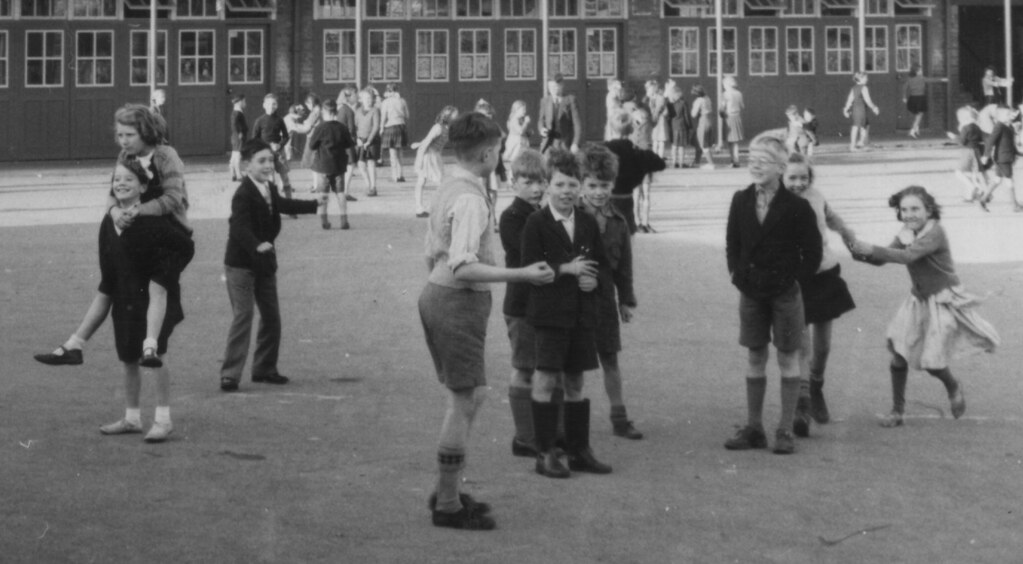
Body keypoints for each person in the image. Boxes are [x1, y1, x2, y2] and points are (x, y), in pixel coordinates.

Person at [418, 112, 554, 530]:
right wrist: (523, 274)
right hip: (456, 300)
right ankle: (446, 503)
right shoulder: (472, 198)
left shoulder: (452, 183)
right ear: (489, 152)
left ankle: (449, 489)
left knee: (471, 397)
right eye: (498, 149)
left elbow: (431, 252)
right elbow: (462, 266)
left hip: (441, 297)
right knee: (463, 400)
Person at [35, 105, 191, 368]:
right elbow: (113, 191)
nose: (123, 141)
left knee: (155, 289)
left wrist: (137, 210)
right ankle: (75, 344)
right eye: (120, 135)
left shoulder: (166, 155)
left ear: (146, 132)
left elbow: (174, 199)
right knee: (109, 285)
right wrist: (115, 209)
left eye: (129, 135)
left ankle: (150, 346)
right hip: (138, 232)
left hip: (168, 236)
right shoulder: (125, 155)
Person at [849, 186, 999, 427]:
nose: (909, 214)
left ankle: (952, 385)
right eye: (904, 209)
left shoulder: (935, 232)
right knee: (898, 355)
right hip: (918, 300)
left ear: (928, 210)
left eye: (915, 209)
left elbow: (907, 256)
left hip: (942, 300)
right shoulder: (907, 231)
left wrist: (873, 249)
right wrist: (857, 251)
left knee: (932, 362)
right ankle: (897, 411)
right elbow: (885, 258)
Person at [723, 133, 822, 455]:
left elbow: (813, 252)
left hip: (784, 293)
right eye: (751, 159)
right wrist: (738, 276)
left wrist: (792, 281)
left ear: (781, 167)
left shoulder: (798, 207)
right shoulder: (740, 200)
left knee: (788, 357)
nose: (754, 165)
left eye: (763, 161)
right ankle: (754, 427)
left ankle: (785, 429)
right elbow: (732, 244)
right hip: (751, 291)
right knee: (755, 356)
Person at [521, 148, 612, 479]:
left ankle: (578, 451)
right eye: (560, 184)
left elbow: (600, 264)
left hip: (580, 317)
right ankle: (545, 453)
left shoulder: (587, 222)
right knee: (545, 378)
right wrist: (568, 269)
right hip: (549, 317)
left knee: (576, 381)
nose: (567, 191)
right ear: (547, 185)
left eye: (573, 184)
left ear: (581, 187)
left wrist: (593, 280)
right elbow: (529, 269)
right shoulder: (536, 223)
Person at [219, 139, 326, 393]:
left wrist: (314, 204)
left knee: (271, 317)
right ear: (246, 165)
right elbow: (238, 227)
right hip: (241, 264)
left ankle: (264, 368)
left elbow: (282, 206)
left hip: (264, 263)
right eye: (262, 161)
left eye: (271, 160)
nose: (269, 166)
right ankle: (230, 374)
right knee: (243, 316)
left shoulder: (268, 185)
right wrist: (256, 245)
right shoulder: (243, 194)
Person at [97, 159, 193, 442]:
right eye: (117, 180)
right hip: (126, 299)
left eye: (129, 179)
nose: (121, 184)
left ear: (142, 186)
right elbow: (108, 264)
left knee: (156, 354)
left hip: (156, 300)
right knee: (128, 357)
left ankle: (163, 419)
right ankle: (132, 418)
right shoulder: (109, 221)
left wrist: (163, 279)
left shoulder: (153, 219)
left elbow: (186, 246)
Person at [783, 153, 857, 435]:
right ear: (782, 177)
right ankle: (802, 404)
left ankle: (816, 384)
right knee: (803, 344)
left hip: (824, 274)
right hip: (796, 278)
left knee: (823, 346)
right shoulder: (779, 201)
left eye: (804, 177)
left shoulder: (816, 196)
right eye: (792, 177)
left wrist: (848, 235)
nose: (799, 183)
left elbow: (832, 217)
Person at [578, 143, 642, 440]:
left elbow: (624, 266)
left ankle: (619, 417)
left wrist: (626, 300)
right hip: (574, 297)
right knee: (572, 361)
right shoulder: (572, 215)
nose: (599, 191)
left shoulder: (619, 221)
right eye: (592, 185)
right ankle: (567, 422)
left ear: (612, 184)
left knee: (610, 358)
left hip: (604, 298)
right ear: (582, 184)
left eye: (604, 185)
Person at [498, 148, 549, 458]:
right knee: (524, 368)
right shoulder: (511, 217)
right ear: (512, 182)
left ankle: (544, 431)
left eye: (540, 182)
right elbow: (531, 256)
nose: (536, 188)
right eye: (528, 182)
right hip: (521, 305)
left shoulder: (541, 213)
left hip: (544, 305)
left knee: (545, 367)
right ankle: (524, 437)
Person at [605, 109, 666, 234]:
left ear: (610, 129)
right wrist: (641, 171)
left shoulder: (602, 151)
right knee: (625, 245)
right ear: (631, 130)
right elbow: (660, 163)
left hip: (606, 201)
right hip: (626, 199)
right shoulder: (636, 153)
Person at [308, 99, 356, 230]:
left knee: (323, 194)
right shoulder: (342, 127)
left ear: (323, 112)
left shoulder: (320, 128)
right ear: (336, 111)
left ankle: (324, 221)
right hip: (339, 165)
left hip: (322, 165)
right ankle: (343, 220)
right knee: (340, 192)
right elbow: (349, 144)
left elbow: (312, 145)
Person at [411, 105, 459, 218]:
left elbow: (428, 141)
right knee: (436, 182)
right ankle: (425, 207)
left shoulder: (448, 128)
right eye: (455, 115)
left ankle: (423, 207)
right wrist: (419, 161)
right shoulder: (438, 127)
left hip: (435, 154)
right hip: (429, 155)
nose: (457, 117)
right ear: (447, 116)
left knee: (428, 181)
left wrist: (418, 144)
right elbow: (427, 142)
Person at [978, 106, 1023, 212]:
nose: (1009, 116)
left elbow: (1011, 144)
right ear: (999, 116)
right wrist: (986, 155)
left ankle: (983, 199)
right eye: (1007, 114)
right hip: (1002, 158)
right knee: (1009, 181)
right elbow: (990, 141)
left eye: (1010, 114)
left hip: (1005, 157)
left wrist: (1019, 153)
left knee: (997, 180)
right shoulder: (999, 126)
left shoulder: (1009, 127)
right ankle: (1015, 205)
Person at [251, 93, 294, 203]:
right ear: (264, 105)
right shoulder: (259, 121)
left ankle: (290, 205)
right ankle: (272, 206)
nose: (272, 106)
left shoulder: (279, 120)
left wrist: (280, 144)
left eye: (274, 104)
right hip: (266, 154)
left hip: (279, 153)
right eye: (269, 104)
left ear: (277, 105)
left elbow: (286, 136)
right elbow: (254, 139)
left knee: (285, 179)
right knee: (271, 180)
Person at [946, 105, 989, 203]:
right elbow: (984, 137)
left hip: (967, 151)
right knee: (971, 174)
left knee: (959, 173)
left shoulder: (965, 128)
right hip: (976, 151)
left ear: (963, 118)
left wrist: (953, 137)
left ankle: (973, 187)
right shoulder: (976, 127)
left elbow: (962, 141)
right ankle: (970, 196)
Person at [538, 73, 582, 154]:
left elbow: (577, 124)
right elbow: (541, 120)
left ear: (561, 86)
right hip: (549, 143)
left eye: (555, 87)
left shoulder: (570, 100)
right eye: (550, 87)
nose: (552, 90)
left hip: (565, 142)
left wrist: (575, 143)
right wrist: (541, 129)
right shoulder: (545, 101)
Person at [629, 106, 656, 233]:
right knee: (641, 195)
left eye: (644, 117)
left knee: (641, 195)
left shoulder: (644, 126)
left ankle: (642, 222)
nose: (643, 119)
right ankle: (640, 222)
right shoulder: (635, 127)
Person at [902, 65, 948, 139]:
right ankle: (913, 130)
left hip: (913, 98)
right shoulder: (921, 78)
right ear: (916, 71)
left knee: (918, 114)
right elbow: (932, 80)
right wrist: (942, 79)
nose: (921, 71)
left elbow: (904, 87)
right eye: (920, 70)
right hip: (920, 98)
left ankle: (916, 128)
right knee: (919, 115)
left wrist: (904, 97)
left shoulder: (910, 79)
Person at [379, 83, 410, 183]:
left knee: (392, 154)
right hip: (401, 126)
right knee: (400, 152)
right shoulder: (402, 101)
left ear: (388, 91)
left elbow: (383, 117)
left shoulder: (386, 102)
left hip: (390, 126)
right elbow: (407, 116)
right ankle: (401, 175)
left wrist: (381, 128)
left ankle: (394, 176)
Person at [353, 87, 381, 197]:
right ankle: (367, 184)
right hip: (360, 140)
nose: (368, 100)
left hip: (372, 141)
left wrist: (369, 141)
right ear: (361, 99)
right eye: (366, 98)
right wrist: (358, 138)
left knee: (371, 163)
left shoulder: (375, 110)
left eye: (370, 98)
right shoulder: (358, 111)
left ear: (373, 99)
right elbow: (355, 126)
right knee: (361, 164)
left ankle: (373, 187)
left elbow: (376, 126)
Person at [843, 72, 880, 152]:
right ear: (861, 79)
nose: (867, 79)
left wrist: (846, 108)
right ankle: (853, 146)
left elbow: (850, 99)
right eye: (865, 78)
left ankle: (861, 143)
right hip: (861, 109)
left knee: (865, 125)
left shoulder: (854, 88)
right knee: (857, 127)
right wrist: (874, 107)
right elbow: (868, 100)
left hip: (855, 109)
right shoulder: (864, 88)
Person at [336, 86, 360, 198]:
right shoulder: (349, 111)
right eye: (356, 94)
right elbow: (351, 129)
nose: (357, 96)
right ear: (349, 96)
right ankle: (345, 191)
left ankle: (341, 190)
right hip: (347, 142)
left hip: (339, 141)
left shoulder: (340, 109)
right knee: (351, 165)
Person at [721, 75, 745, 168]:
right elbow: (742, 106)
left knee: (730, 141)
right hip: (737, 116)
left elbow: (722, 108)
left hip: (729, 117)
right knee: (735, 142)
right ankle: (736, 160)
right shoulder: (739, 93)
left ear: (726, 84)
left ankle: (733, 160)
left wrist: (721, 114)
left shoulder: (725, 94)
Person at [503, 100, 531, 174]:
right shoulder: (514, 119)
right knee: (515, 159)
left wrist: (528, 132)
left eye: (525, 109)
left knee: (521, 160)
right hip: (516, 143)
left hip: (521, 142)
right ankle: (512, 176)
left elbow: (523, 132)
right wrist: (526, 123)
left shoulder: (520, 119)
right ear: (516, 110)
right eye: (523, 109)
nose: (524, 111)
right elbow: (520, 131)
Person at [668, 83, 692, 168]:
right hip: (682, 126)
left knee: (674, 146)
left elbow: (669, 116)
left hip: (673, 126)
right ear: (679, 93)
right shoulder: (683, 103)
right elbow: (687, 116)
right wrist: (690, 126)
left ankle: (674, 162)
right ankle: (681, 163)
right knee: (681, 146)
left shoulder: (669, 104)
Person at [691, 84, 715, 170]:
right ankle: (699, 161)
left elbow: (693, 114)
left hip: (702, 122)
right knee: (707, 143)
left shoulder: (699, 101)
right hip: (709, 121)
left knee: (703, 144)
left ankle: (711, 164)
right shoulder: (707, 98)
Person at [646, 79, 670, 159]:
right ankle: (656, 158)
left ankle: (659, 158)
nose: (648, 90)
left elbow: (660, 109)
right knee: (656, 140)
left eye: (649, 88)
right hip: (656, 120)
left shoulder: (659, 98)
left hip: (658, 120)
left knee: (659, 140)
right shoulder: (651, 98)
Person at [229, 94, 248, 181]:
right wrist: (240, 132)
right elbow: (234, 124)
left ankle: (233, 173)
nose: (245, 103)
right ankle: (238, 174)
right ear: (240, 102)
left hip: (236, 137)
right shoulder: (237, 113)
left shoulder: (236, 112)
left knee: (234, 155)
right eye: (244, 101)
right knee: (238, 155)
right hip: (239, 137)